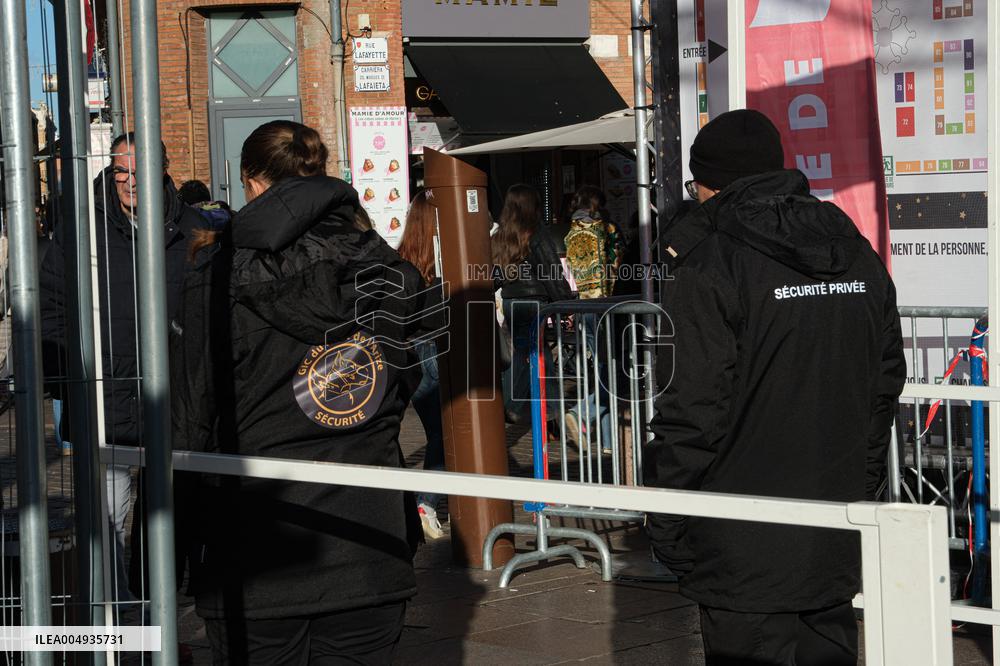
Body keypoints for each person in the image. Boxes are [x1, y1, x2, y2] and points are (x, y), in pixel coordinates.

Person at [644, 109, 905, 665]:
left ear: (707, 185)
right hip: (830, 530)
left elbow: (692, 408)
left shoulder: (713, 264)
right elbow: (883, 387)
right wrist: (859, 487)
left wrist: (665, 514)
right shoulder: (855, 250)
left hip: (744, 541)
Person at [171, 120, 422, 664]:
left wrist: (175, 547)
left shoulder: (217, 276)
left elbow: (193, 415)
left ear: (251, 183)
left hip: (257, 546)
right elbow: (400, 388)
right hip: (366, 532)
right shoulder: (388, 271)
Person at [39, 131, 208, 605]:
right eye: (121, 171)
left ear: (163, 169)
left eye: (141, 170)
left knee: (168, 519)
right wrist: (67, 379)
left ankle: (160, 618)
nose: (131, 181)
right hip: (103, 397)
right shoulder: (80, 231)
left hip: (173, 400)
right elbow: (50, 305)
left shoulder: (195, 229)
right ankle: (116, 621)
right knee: (108, 517)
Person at [492, 184, 573, 426]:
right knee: (539, 354)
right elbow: (550, 271)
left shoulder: (500, 236)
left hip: (511, 301)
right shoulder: (536, 233)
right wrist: (566, 303)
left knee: (526, 353)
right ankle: (552, 409)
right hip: (534, 300)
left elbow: (494, 275)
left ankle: (525, 405)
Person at [396, 190, 448, 540]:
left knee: (435, 434)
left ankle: (417, 504)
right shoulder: (445, 264)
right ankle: (426, 504)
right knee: (444, 436)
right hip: (435, 350)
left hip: (408, 352)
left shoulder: (400, 262)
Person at [563, 186, 620, 452]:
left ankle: (607, 440)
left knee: (601, 371)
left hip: (584, 304)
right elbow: (617, 262)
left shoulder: (571, 233)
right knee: (611, 372)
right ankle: (581, 411)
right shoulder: (606, 230)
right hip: (607, 305)